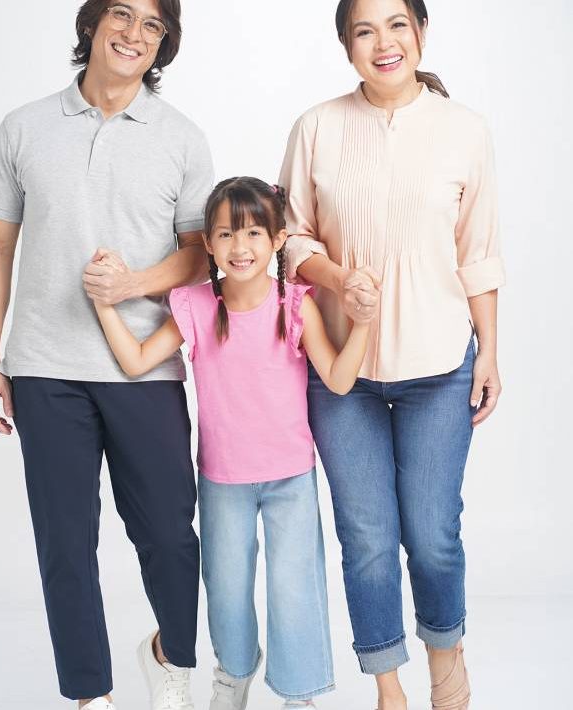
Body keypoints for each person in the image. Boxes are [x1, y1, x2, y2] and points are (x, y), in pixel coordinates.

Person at [0, 2, 214, 709]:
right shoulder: (24, 128)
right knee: (65, 545)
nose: (135, 34)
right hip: (44, 367)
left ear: (164, 43)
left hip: (145, 366)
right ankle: (89, 696)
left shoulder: (182, 138)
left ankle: (170, 655)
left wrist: (132, 284)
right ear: (91, 24)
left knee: (169, 534)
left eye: (153, 25)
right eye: (122, 14)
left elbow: (201, 257)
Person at [278, 1, 506, 709]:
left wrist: (490, 350)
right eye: (364, 30)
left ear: (421, 33)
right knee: (367, 537)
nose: (383, 42)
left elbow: (478, 252)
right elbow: (290, 238)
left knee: (432, 535)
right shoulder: (316, 127)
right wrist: (337, 277)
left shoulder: (465, 130)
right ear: (346, 45)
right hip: (341, 375)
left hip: (440, 368)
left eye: (397, 25)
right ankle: (387, 686)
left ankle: (445, 653)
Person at [90, 177, 378, 709]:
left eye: (252, 233)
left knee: (295, 590)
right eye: (225, 234)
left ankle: (299, 695)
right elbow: (135, 360)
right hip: (223, 481)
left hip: (291, 478)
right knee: (225, 593)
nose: (239, 247)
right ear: (208, 242)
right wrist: (106, 304)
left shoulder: (296, 304)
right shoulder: (195, 304)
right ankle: (233, 676)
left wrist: (361, 324)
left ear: (278, 239)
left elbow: (338, 380)